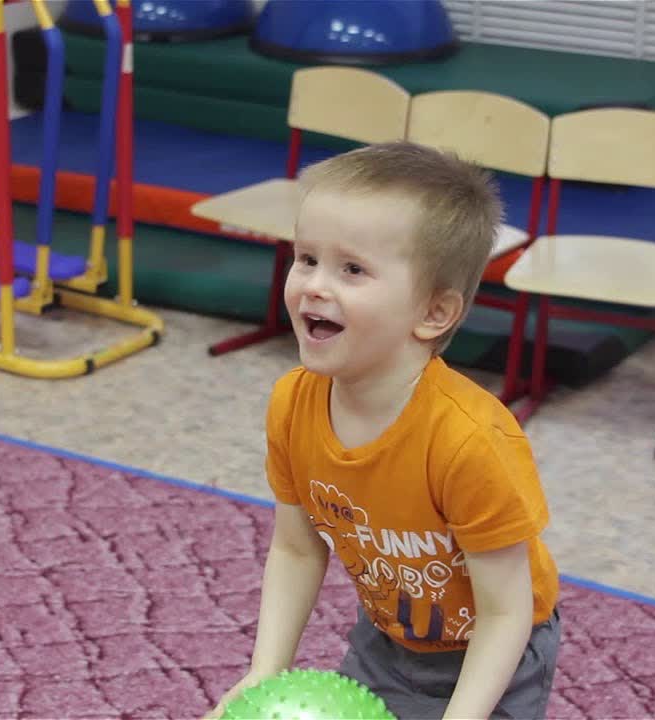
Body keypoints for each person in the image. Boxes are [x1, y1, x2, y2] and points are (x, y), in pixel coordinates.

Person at [211, 141, 561, 719]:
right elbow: (297, 549)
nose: (315, 285)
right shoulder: (292, 404)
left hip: (494, 649)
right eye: (306, 258)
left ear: (433, 313)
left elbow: (505, 612)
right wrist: (265, 670)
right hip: (386, 637)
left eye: (352, 269)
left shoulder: (470, 441)